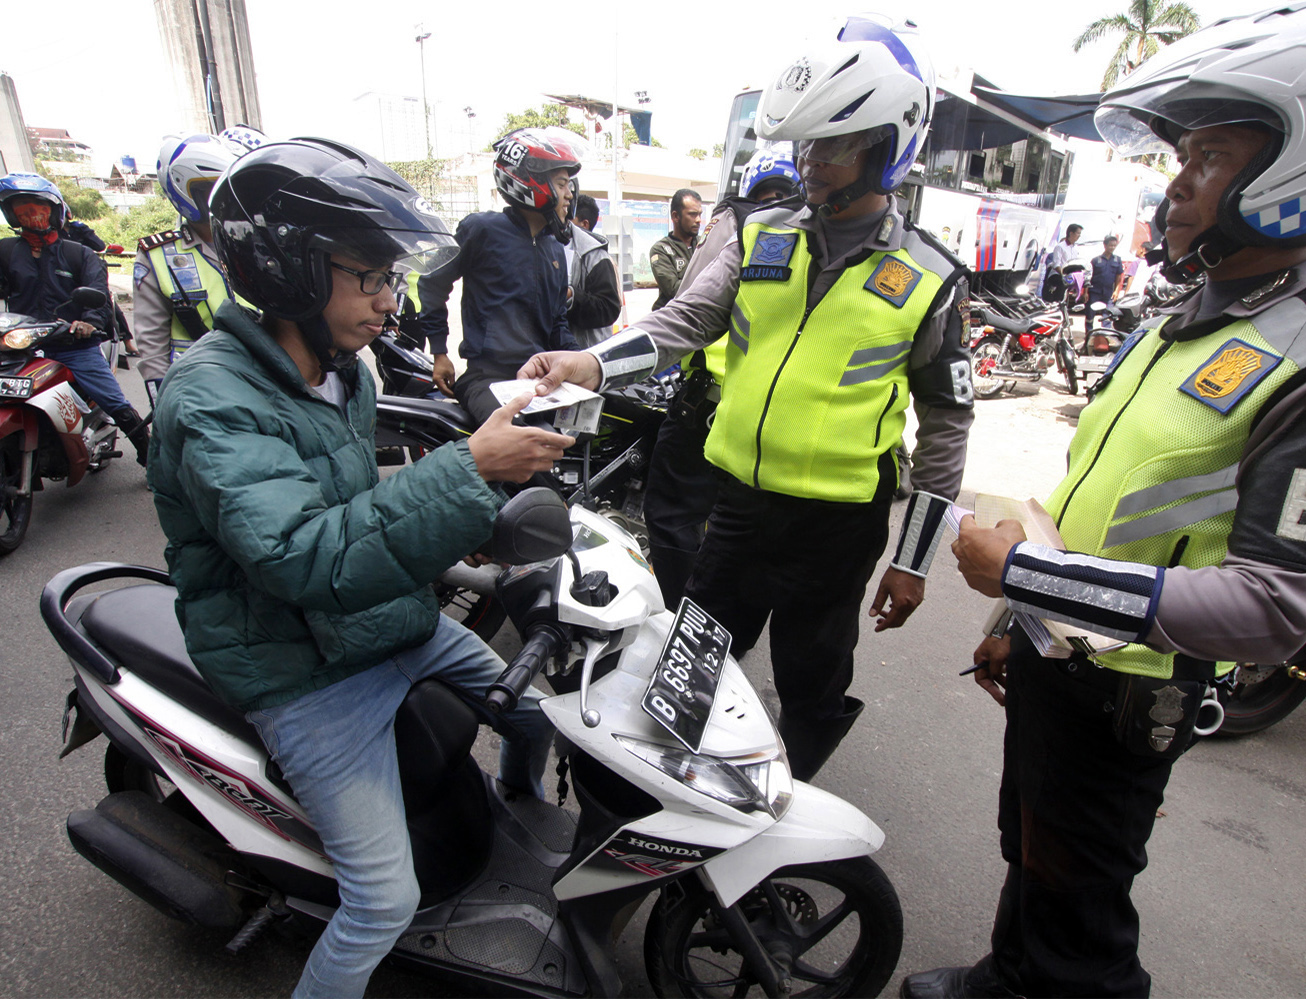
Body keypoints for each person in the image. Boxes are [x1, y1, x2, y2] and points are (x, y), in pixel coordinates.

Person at [901, 8, 1306, 996]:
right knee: (1030, 848)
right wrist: (1018, 615)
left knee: (1082, 920)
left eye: (1207, 156)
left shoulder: (1294, 355)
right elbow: (1099, 500)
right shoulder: (1191, 319)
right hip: (1061, 659)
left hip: (1131, 689)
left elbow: (1275, 606)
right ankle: (1006, 978)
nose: (1176, 183)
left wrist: (1029, 575)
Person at [147, 138, 575, 999]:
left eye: (391, 277)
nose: (390, 300)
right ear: (289, 270)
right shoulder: (207, 398)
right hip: (297, 667)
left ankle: (506, 821)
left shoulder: (347, 370)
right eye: (368, 277)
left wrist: (479, 526)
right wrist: (470, 469)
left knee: (537, 716)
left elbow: (359, 501)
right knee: (381, 900)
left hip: (384, 622)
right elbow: (303, 554)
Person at [520, 16, 974, 781]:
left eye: (834, 143)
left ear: (885, 146)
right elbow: (685, 321)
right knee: (687, 670)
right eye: (807, 142)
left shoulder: (930, 277)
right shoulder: (763, 233)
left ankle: (785, 809)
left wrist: (915, 558)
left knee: (811, 682)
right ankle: (668, 803)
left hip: (837, 529)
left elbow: (946, 427)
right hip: (735, 510)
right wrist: (591, 364)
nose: (812, 159)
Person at [643, 147, 802, 606]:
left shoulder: (739, 220)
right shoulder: (818, 233)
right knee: (740, 523)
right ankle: (727, 623)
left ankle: (681, 616)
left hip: (709, 405)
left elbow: (691, 305)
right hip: (776, 415)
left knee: (672, 514)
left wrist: (602, 361)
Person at [417, 126, 584, 424]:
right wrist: (439, 351)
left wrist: (587, 361)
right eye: (561, 184)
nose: (569, 194)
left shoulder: (555, 249)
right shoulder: (480, 229)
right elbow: (432, 282)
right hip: (487, 378)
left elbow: (558, 323)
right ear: (532, 182)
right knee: (522, 446)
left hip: (540, 378)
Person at [0, 172, 149, 465]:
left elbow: (98, 294)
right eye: (23, 211)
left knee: (113, 399)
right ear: (13, 216)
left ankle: (151, 458)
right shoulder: (5, 251)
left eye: (38, 210)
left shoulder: (79, 254)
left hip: (72, 344)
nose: (32, 216)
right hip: (21, 344)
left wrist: (88, 322)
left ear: (54, 212)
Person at [133, 134, 240, 411]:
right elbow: (151, 341)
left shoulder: (253, 243)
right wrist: (162, 400)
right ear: (183, 191)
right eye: (212, 188)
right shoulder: (159, 255)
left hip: (262, 377)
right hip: (197, 387)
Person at [564, 192, 622, 347]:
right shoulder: (545, 244)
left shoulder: (596, 256)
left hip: (587, 355)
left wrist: (570, 296)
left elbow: (609, 308)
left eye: (570, 217)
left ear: (584, 224)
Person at [648, 187, 703, 309]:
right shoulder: (661, 249)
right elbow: (674, 290)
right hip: (673, 319)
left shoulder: (705, 243)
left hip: (702, 318)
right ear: (675, 216)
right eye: (693, 214)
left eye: (700, 214)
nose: (698, 220)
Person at [1041, 222, 1082, 301]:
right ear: (1071, 233)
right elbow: (1056, 264)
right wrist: (1063, 275)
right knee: (1062, 283)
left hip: (1069, 275)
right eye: (1078, 233)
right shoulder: (1060, 246)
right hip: (1057, 274)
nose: (1079, 236)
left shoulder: (1075, 248)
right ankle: (1057, 302)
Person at [1088, 233, 1126, 307]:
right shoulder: (1096, 260)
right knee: (1090, 314)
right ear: (1105, 245)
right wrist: (1085, 292)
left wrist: (1116, 291)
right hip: (1095, 292)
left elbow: (1118, 277)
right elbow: (1088, 277)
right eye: (1110, 245)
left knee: (1108, 314)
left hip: (1109, 293)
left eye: (1114, 246)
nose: (1112, 247)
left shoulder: (1117, 260)